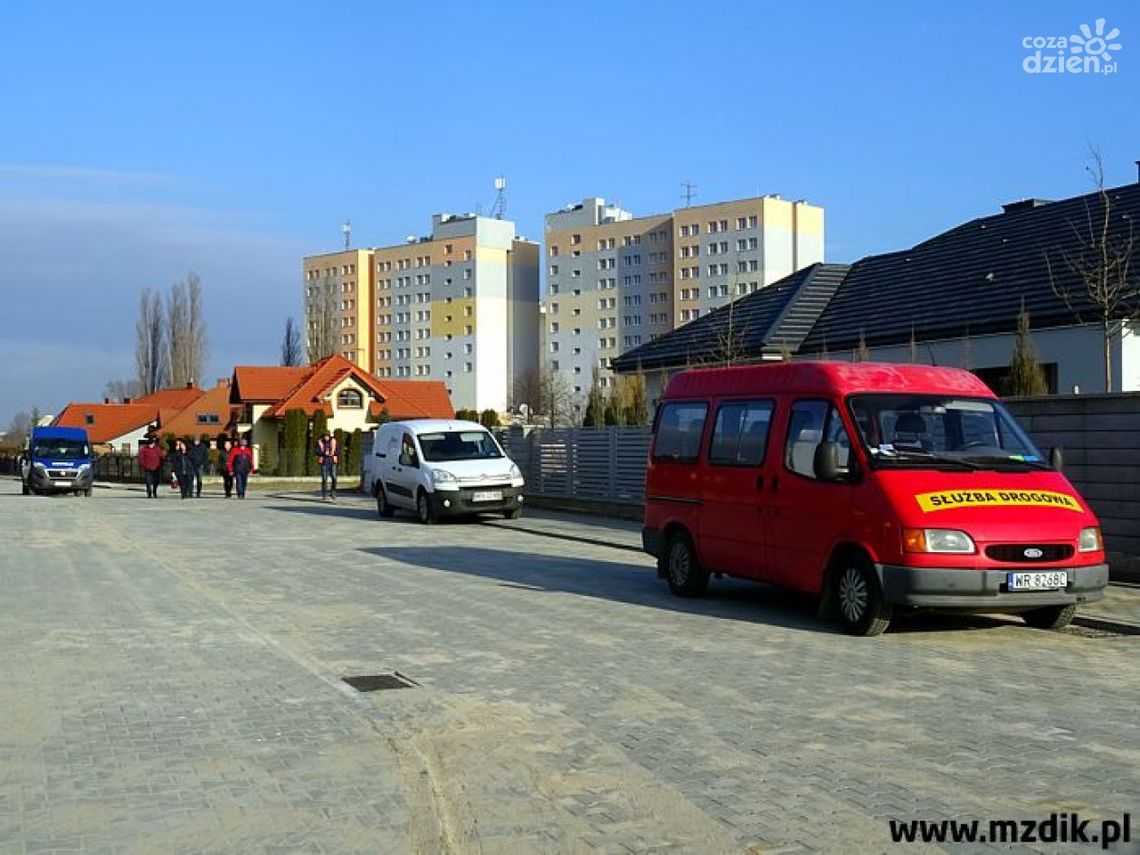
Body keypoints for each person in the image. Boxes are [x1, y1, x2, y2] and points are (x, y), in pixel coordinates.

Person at [316, 430, 339, 502]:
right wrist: (323, 453)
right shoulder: (320, 442)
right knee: (324, 479)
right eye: (325, 436)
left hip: (332, 462)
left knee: (334, 478)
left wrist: (333, 453)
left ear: (329, 436)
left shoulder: (334, 441)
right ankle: (324, 495)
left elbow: (338, 450)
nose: (326, 438)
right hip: (324, 463)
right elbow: (317, 451)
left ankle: (333, 493)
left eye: (327, 436)